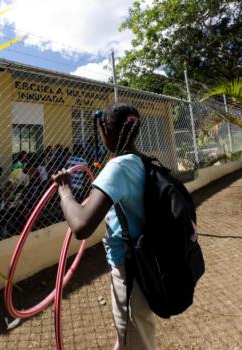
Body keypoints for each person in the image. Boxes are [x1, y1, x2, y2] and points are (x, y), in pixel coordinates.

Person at [52, 103, 155, 349]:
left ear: (106, 131)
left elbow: (81, 226)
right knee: (130, 334)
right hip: (146, 261)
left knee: (133, 336)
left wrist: (64, 191)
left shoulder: (118, 168)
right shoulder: (141, 160)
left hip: (130, 268)